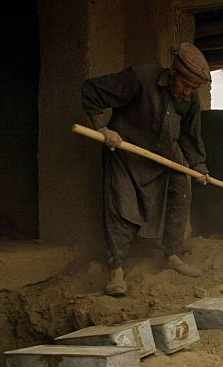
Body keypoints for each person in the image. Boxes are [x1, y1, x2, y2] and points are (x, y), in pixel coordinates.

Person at [81, 43, 212, 296]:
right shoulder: (140, 78)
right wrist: (103, 128)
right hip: (126, 151)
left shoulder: (189, 97)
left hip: (165, 153)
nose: (187, 92)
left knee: (181, 188)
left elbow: (190, 134)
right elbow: (91, 90)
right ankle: (116, 270)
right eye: (185, 85)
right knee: (121, 205)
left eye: (194, 88)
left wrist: (198, 165)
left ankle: (172, 254)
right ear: (173, 73)